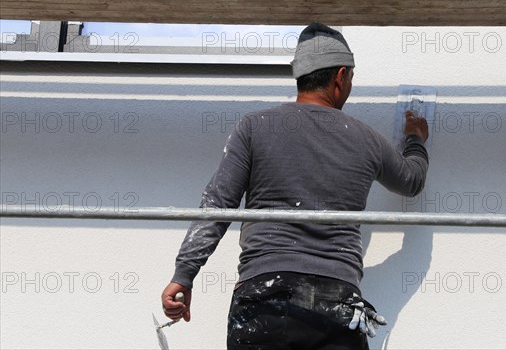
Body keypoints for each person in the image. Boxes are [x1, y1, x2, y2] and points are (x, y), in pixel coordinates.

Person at [162, 22, 429, 349]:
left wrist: (183, 275)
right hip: (337, 303)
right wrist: (415, 138)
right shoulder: (367, 140)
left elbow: (217, 204)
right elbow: (412, 180)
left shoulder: (254, 127)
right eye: (351, 80)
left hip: (263, 299)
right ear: (340, 77)